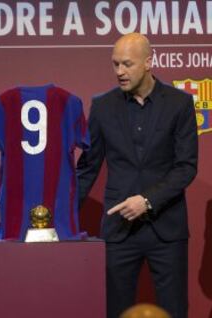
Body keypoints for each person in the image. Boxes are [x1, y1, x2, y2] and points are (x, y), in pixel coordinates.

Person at [77, 33, 198, 318]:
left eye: (127, 64)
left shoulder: (179, 103)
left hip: (167, 230)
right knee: (117, 312)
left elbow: (186, 167)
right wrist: (61, 217)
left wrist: (147, 200)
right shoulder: (103, 106)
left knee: (174, 311)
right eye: (115, 64)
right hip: (119, 231)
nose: (119, 71)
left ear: (148, 62)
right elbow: (88, 167)